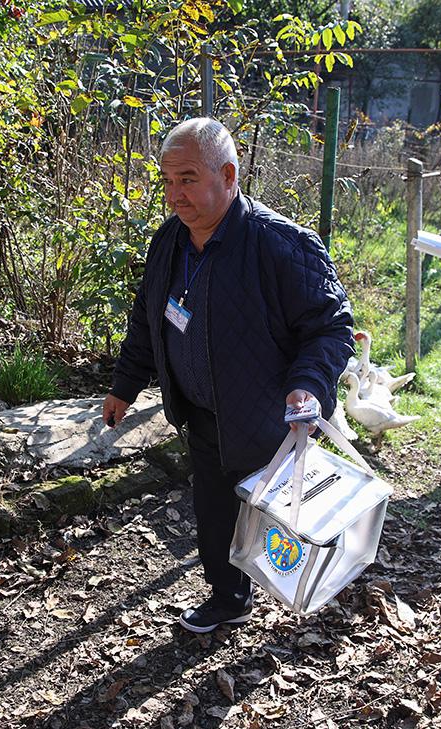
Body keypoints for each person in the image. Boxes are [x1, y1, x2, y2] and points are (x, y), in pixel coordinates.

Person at [102, 118, 354, 633]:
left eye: (188, 179)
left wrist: (308, 384)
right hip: (203, 418)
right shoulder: (169, 242)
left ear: (229, 174)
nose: (175, 194)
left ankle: (319, 598)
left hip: (268, 422)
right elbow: (149, 318)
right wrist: (125, 385)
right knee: (215, 517)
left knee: (287, 523)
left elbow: (330, 327)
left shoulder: (280, 245)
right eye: (168, 181)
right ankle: (230, 598)